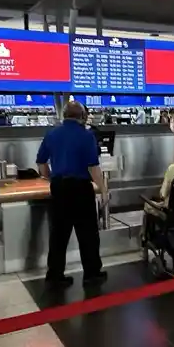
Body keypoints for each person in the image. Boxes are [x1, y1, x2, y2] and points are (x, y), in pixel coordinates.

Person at [35, 100, 108, 286]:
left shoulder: (51, 134)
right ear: (82, 117)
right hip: (81, 188)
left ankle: (54, 276)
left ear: (65, 115)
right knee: (88, 233)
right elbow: (93, 167)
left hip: (59, 188)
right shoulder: (86, 135)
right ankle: (92, 274)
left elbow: (41, 162)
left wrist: (51, 178)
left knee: (59, 234)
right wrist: (103, 190)